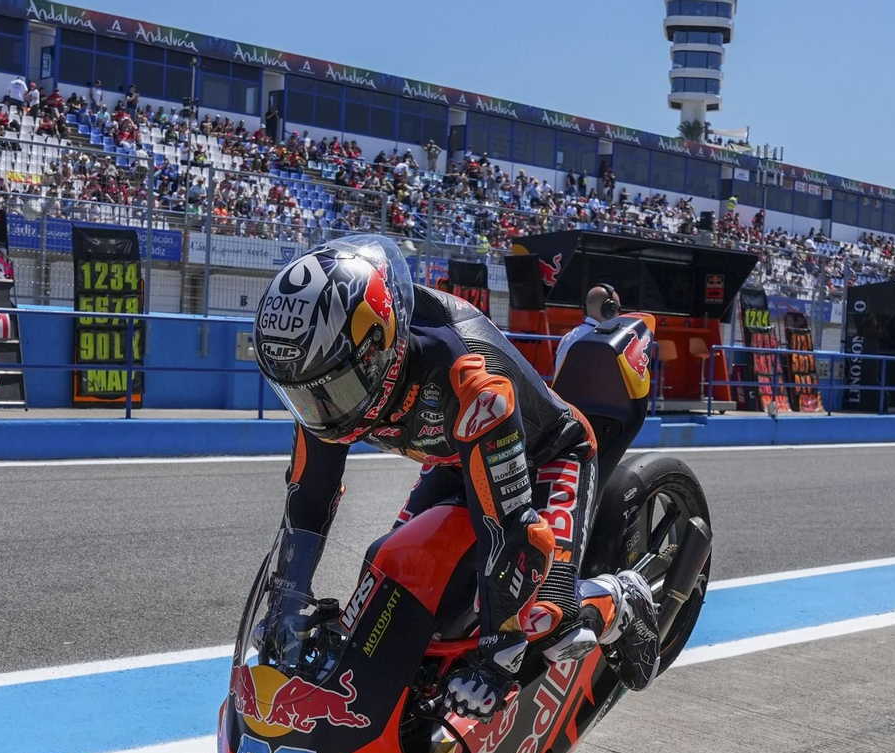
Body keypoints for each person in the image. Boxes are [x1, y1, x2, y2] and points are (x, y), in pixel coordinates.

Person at [252, 236, 659, 722]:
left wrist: (497, 658)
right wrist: (284, 602)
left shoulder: (468, 376)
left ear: (379, 348)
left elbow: (510, 528)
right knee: (387, 573)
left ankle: (620, 599)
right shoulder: (324, 378)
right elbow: (308, 502)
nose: (321, 410)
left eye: (334, 390)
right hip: (456, 457)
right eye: (302, 397)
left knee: (543, 618)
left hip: (548, 454)